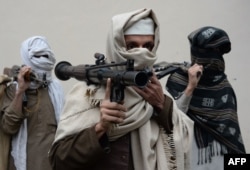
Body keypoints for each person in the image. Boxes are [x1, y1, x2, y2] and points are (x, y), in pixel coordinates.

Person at [48, 8, 194, 170]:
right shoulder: (86, 93)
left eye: (147, 46)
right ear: (116, 45)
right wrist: (100, 128)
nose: (140, 52)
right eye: (131, 46)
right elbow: (59, 160)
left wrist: (162, 105)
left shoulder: (157, 91)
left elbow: (185, 138)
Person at [165, 26, 246, 170]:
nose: (216, 58)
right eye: (211, 52)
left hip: (220, 160)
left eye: (218, 53)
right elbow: (172, 119)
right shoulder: (178, 79)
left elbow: (232, 137)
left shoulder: (223, 86)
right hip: (190, 157)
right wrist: (190, 87)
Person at [0, 36, 65, 170]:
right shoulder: (13, 89)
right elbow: (9, 126)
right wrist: (21, 91)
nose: (43, 60)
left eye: (45, 56)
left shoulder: (55, 91)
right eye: (38, 57)